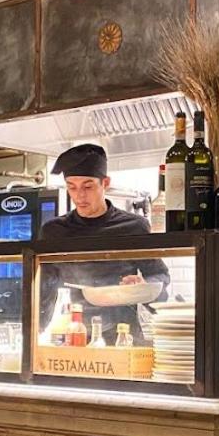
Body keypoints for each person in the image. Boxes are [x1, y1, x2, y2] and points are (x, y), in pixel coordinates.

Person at [38, 144, 169, 338]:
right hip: (73, 334)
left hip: (124, 336)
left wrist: (144, 285)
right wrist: (35, 334)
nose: (79, 195)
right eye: (71, 187)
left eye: (88, 186)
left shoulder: (134, 227)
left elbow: (160, 275)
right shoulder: (54, 231)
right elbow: (43, 290)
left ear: (105, 183)